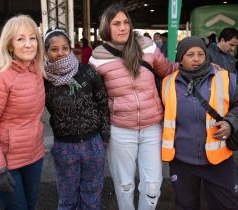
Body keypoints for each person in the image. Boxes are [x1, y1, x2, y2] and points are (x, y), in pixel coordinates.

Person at [89, 3, 178, 210]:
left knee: (153, 185)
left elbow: (169, 71)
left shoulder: (147, 46)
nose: (123, 28)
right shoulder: (98, 57)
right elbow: (91, 93)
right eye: (116, 23)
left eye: (126, 22)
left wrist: (202, 68)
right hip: (120, 129)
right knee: (125, 185)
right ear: (106, 27)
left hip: (152, 127)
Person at [161, 36, 238, 210]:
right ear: (180, 57)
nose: (196, 59)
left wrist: (231, 123)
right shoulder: (167, 82)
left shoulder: (225, 78)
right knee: (185, 206)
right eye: (190, 54)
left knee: (225, 205)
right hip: (182, 162)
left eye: (201, 54)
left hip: (218, 161)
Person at [0, 14, 45, 210]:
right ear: (9, 44)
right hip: (5, 163)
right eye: (20, 39)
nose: (29, 44)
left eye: (33, 38)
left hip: (33, 156)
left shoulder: (36, 70)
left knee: (30, 206)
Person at [44, 28, 110, 210]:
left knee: (92, 195)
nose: (60, 53)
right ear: (46, 52)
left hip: (93, 143)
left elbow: (103, 104)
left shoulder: (87, 72)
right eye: (54, 49)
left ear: (71, 49)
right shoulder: (43, 79)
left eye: (64, 48)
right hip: (64, 147)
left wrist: (104, 138)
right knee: (67, 198)